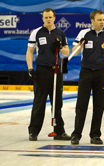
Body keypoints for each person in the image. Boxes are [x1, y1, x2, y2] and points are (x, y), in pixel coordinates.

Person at [71, 10, 104, 145]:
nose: (102, 22)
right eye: (99, 20)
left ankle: (95, 135)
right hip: (86, 72)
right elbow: (74, 53)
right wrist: (80, 44)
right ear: (92, 21)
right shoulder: (83, 33)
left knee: (99, 105)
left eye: (103, 20)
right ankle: (76, 134)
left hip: (101, 73)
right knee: (81, 105)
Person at [26, 8, 71, 141]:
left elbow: (66, 53)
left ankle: (59, 131)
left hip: (57, 70)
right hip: (42, 71)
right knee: (39, 102)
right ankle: (33, 131)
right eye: (46, 17)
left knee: (57, 102)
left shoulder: (60, 33)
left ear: (54, 18)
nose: (48, 19)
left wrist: (61, 47)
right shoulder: (36, 33)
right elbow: (30, 52)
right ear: (43, 18)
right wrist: (30, 69)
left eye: (50, 17)